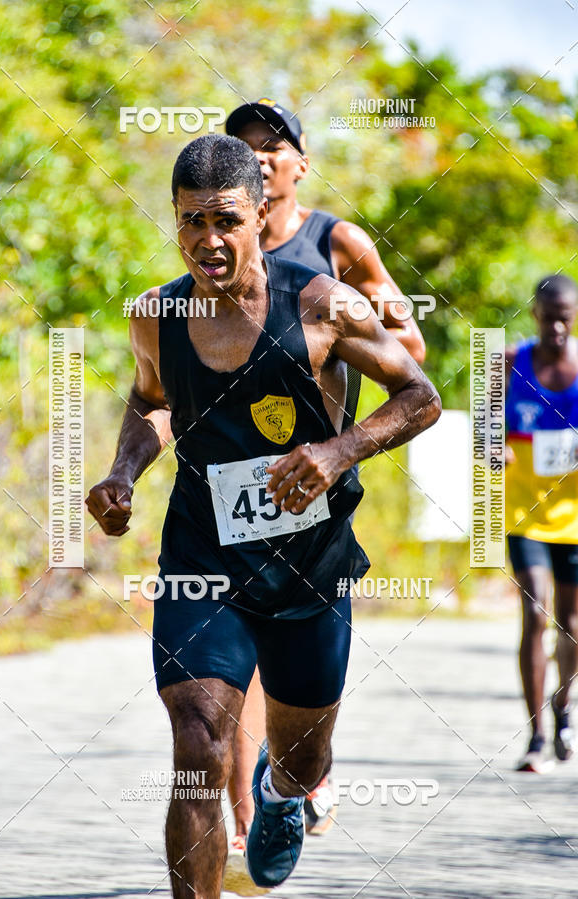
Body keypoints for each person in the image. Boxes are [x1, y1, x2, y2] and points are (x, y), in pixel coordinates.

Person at [86, 134, 441, 898]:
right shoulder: (156, 315)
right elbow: (151, 402)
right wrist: (121, 471)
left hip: (310, 563)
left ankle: (283, 794)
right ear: (174, 223)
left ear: (259, 214)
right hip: (203, 559)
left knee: (303, 756)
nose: (207, 241)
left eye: (225, 221)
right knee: (198, 743)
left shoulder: (320, 304)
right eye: (190, 223)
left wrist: (340, 451)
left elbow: (422, 397)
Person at [222, 98, 427, 875]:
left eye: (274, 148)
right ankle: (249, 825)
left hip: (315, 484)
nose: (261, 160)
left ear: (302, 163)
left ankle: (302, 765)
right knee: (230, 668)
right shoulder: (218, 247)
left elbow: (407, 345)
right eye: (244, 149)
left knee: (297, 662)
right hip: (237, 489)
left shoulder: (334, 240)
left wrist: (344, 441)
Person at [505, 273, 578, 774]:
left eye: (566, 321)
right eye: (549, 319)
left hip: (574, 517)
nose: (557, 330)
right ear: (535, 314)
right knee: (535, 614)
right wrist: (497, 452)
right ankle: (534, 735)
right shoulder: (507, 363)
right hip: (523, 513)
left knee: (571, 625)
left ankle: (564, 708)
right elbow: (484, 442)